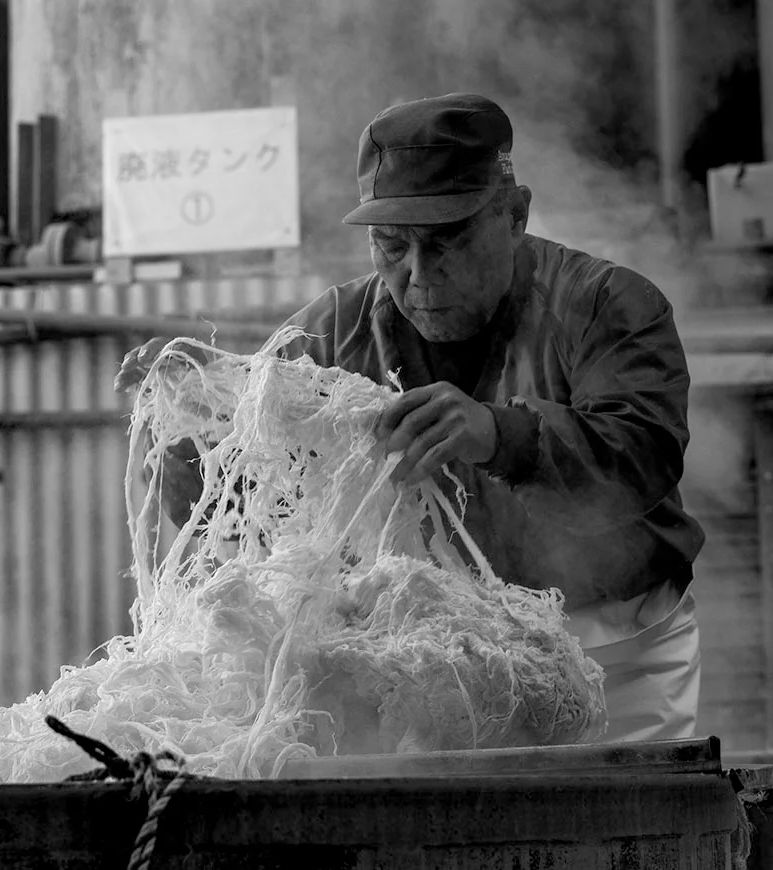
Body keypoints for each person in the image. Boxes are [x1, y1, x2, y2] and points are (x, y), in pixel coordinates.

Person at [116, 93, 705, 743]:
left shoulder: (605, 305)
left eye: (448, 241)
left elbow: (642, 449)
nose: (420, 275)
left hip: (613, 646)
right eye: (392, 246)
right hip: (430, 655)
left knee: (622, 808)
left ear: (514, 215)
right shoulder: (332, 333)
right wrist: (193, 429)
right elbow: (244, 496)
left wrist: (500, 435)